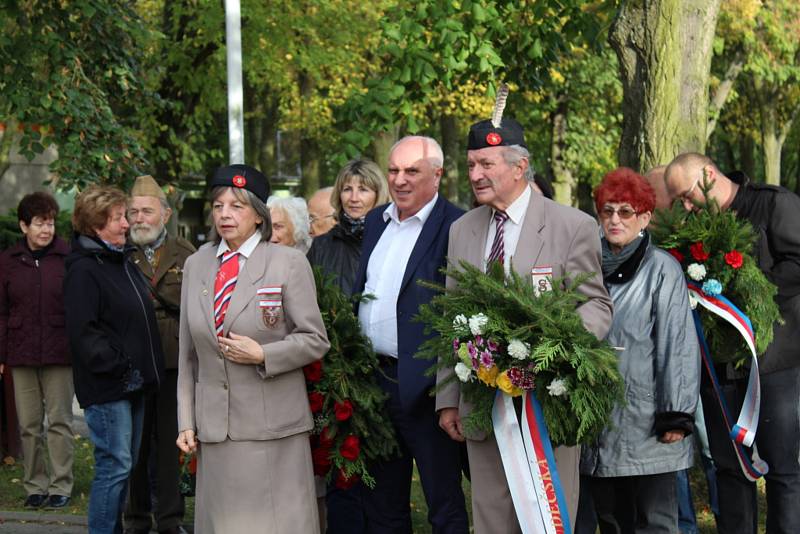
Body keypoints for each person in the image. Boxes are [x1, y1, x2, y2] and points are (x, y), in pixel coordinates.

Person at [436, 114, 613, 533]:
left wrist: (554, 350)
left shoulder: (572, 225)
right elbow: (450, 316)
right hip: (482, 404)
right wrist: (447, 397)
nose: (475, 175)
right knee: (493, 518)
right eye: (472, 164)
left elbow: (596, 306)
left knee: (548, 518)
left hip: (545, 404)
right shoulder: (462, 229)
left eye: (486, 165)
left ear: (519, 167)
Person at [175, 164, 329, 534]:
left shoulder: (287, 262)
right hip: (216, 429)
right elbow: (187, 355)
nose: (225, 214)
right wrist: (186, 420)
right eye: (218, 206)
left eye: (237, 206)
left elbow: (315, 339)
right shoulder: (196, 264)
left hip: (273, 429)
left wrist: (265, 354)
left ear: (258, 215)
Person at [664, 153, 800, 534]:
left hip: (774, 364)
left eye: (688, 196)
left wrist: (750, 287)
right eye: (678, 202)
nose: (685, 207)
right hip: (718, 367)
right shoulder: (692, 227)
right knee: (730, 469)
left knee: (783, 470)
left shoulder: (774, 205)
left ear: (709, 174)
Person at [352, 136, 468, 533]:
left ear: (437, 175)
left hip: (428, 389)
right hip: (375, 383)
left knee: (444, 503)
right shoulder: (375, 221)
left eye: (411, 172)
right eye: (393, 170)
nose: (399, 181)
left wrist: (451, 395)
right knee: (382, 505)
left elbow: (462, 313)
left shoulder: (457, 225)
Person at [580, 167, 700, 533]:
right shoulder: (584, 264)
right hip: (599, 421)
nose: (615, 219)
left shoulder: (661, 269)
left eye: (625, 211)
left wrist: (676, 414)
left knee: (655, 523)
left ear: (645, 217)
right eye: (607, 210)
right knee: (612, 521)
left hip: (648, 420)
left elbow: (676, 345)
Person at [64, 185, 165, 533]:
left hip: (133, 384)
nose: (127, 224)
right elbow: (85, 333)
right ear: (96, 225)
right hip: (110, 387)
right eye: (119, 217)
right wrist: (123, 368)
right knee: (116, 465)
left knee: (126, 464)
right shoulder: (84, 269)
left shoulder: (119, 260)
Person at [124, 176, 195, 534]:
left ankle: (170, 520)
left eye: (147, 211)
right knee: (134, 445)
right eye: (133, 211)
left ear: (164, 215)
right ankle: (136, 519)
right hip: (132, 363)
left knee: (170, 446)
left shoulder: (186, 254)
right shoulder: (119, 252)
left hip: (171, 360)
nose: (139, 218)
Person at [0, 192, 74, 509]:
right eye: (39, 223)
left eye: (51, 222)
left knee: (59, 421)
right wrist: (2, 356)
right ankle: (35, 485)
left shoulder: (68, 257)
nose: (46, 229)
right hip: (20, 353)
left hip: (60, 351)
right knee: (29, 424)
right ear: (23, 225)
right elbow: (1, 312)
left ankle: (61, 485)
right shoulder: (8, 262)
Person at [307, 160, 390, 296]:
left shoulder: (393, 239)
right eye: (347, 189)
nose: (354, 198)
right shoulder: (321, 245)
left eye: (363, 189)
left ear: (378, 194)